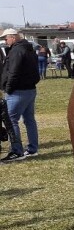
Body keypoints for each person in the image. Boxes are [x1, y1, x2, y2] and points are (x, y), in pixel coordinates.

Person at [0, 28, 39, 162]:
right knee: (29, 120)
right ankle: (33, 148)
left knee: (11, 121)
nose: (5, 41)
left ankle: (17, 151)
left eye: (6, 38)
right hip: (30, 89)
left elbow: (13, 72)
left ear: (13, 37)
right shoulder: (29, 49)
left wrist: (8, 88)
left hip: (18, 91)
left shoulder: (16, 50)